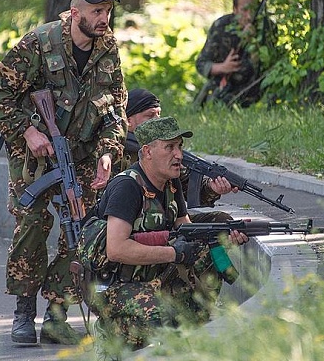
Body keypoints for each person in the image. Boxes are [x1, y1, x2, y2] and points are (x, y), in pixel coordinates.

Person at [0, 0, 127, 345]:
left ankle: (57, 312)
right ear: (75, 12)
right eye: (97, 11)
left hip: (80, 154)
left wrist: (109, 153)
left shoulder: (108, 48)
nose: (104, 18)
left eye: (108, 10)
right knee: (32, 225)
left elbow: (116, 108)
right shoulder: (39, 43)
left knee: (80, 229)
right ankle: (23, 312)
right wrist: (27, 132)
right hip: (33, 153)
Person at [77, 116, 249, 352]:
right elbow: (116, 249)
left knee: (191, 309)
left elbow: (184, 230)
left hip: (152, 274)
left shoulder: (171, 183)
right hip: (112, 283)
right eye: (170, 147)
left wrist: (223, 237)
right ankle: (111, 336)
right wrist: (172, 253)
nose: (178, 155)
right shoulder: (127, 187)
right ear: (147, 152)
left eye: (179, 146)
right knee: (159, 317)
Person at [122, 88, 238, 215]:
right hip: (125, 222)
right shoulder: (114, 154)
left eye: (159, 114)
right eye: (150, 116)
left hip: (163, 221)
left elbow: (191, 192)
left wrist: (213, 188)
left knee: (222, 220)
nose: (157, 120)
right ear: (128, 121)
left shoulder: (167, 152)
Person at [194, 0, 275, 108]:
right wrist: (223, 67)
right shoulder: (221, 26)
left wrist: (253, 43)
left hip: (256, 88)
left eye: (253, 10)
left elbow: (269, 65)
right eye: (244, 10)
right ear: (235, 10)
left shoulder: (267, 28)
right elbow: (201, 63)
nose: (249, 16)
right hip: (226, 88)